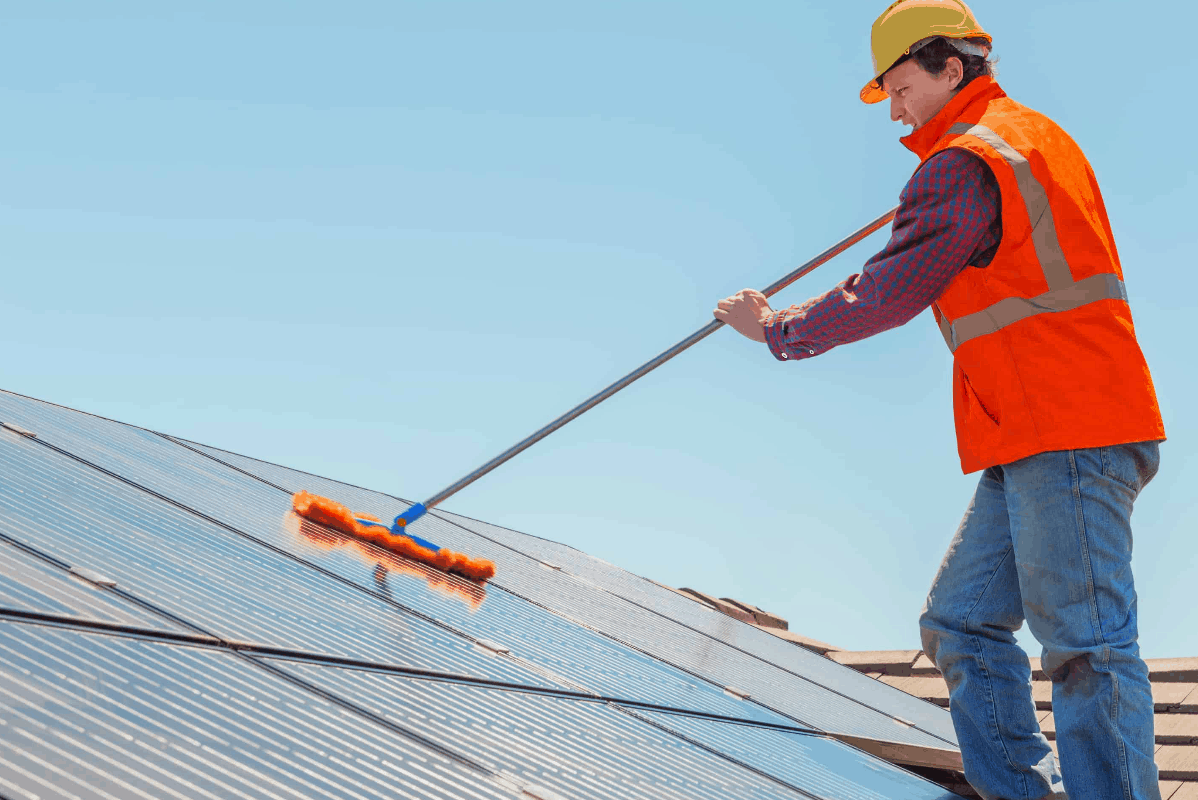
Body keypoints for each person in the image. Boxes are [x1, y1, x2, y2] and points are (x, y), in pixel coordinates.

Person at [712, 1, 1167, 798]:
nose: (894, 109)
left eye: (899, 87)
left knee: (1087, 647)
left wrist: (778, 328)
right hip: (1034, 430)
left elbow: (893, 287)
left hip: (1064, 428)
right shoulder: (1031, 139)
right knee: (961, 621)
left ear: (950, 67)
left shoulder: (968, 159)